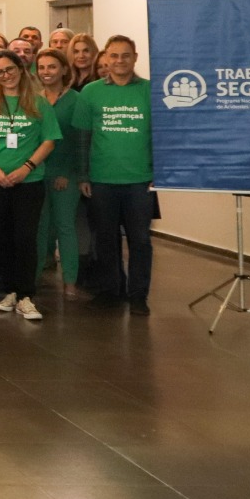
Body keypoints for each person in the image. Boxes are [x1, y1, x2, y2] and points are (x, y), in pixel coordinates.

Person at [0, 50, 60, 323]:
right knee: (2, 236)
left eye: (10, 69)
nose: (6, 75)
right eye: (0, 72)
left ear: (21, 68)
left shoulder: (39, 103)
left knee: (25, 237)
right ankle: (9, 290)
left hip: (28, 181)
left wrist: (25, 168)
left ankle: (26, 295)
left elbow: (49, 140)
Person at [74, 35, 156, 316]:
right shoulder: (90, 93)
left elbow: (161, 136)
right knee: (106, 240)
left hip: (140, 180)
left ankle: (138, 296)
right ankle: (111, 291)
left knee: (140, 241)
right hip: (101, 179)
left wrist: (160, 173)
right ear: (105, 58)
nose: (119, 61)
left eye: (125, 55)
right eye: (114, 56)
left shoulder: (150, 91)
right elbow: (83, 137)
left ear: (135, 57)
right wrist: (83, 175)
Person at [35, 48, 87, 300]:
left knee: (65, 226)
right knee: (40, 227)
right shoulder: (35, 99)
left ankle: (70, 282)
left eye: (52, 67)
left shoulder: (76, 99)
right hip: (37, 171)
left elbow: (80, 140)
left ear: (64, 70)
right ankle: (31, 279)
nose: (46, 72)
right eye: (42, 67)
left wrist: (69, 173)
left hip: (66, 173)